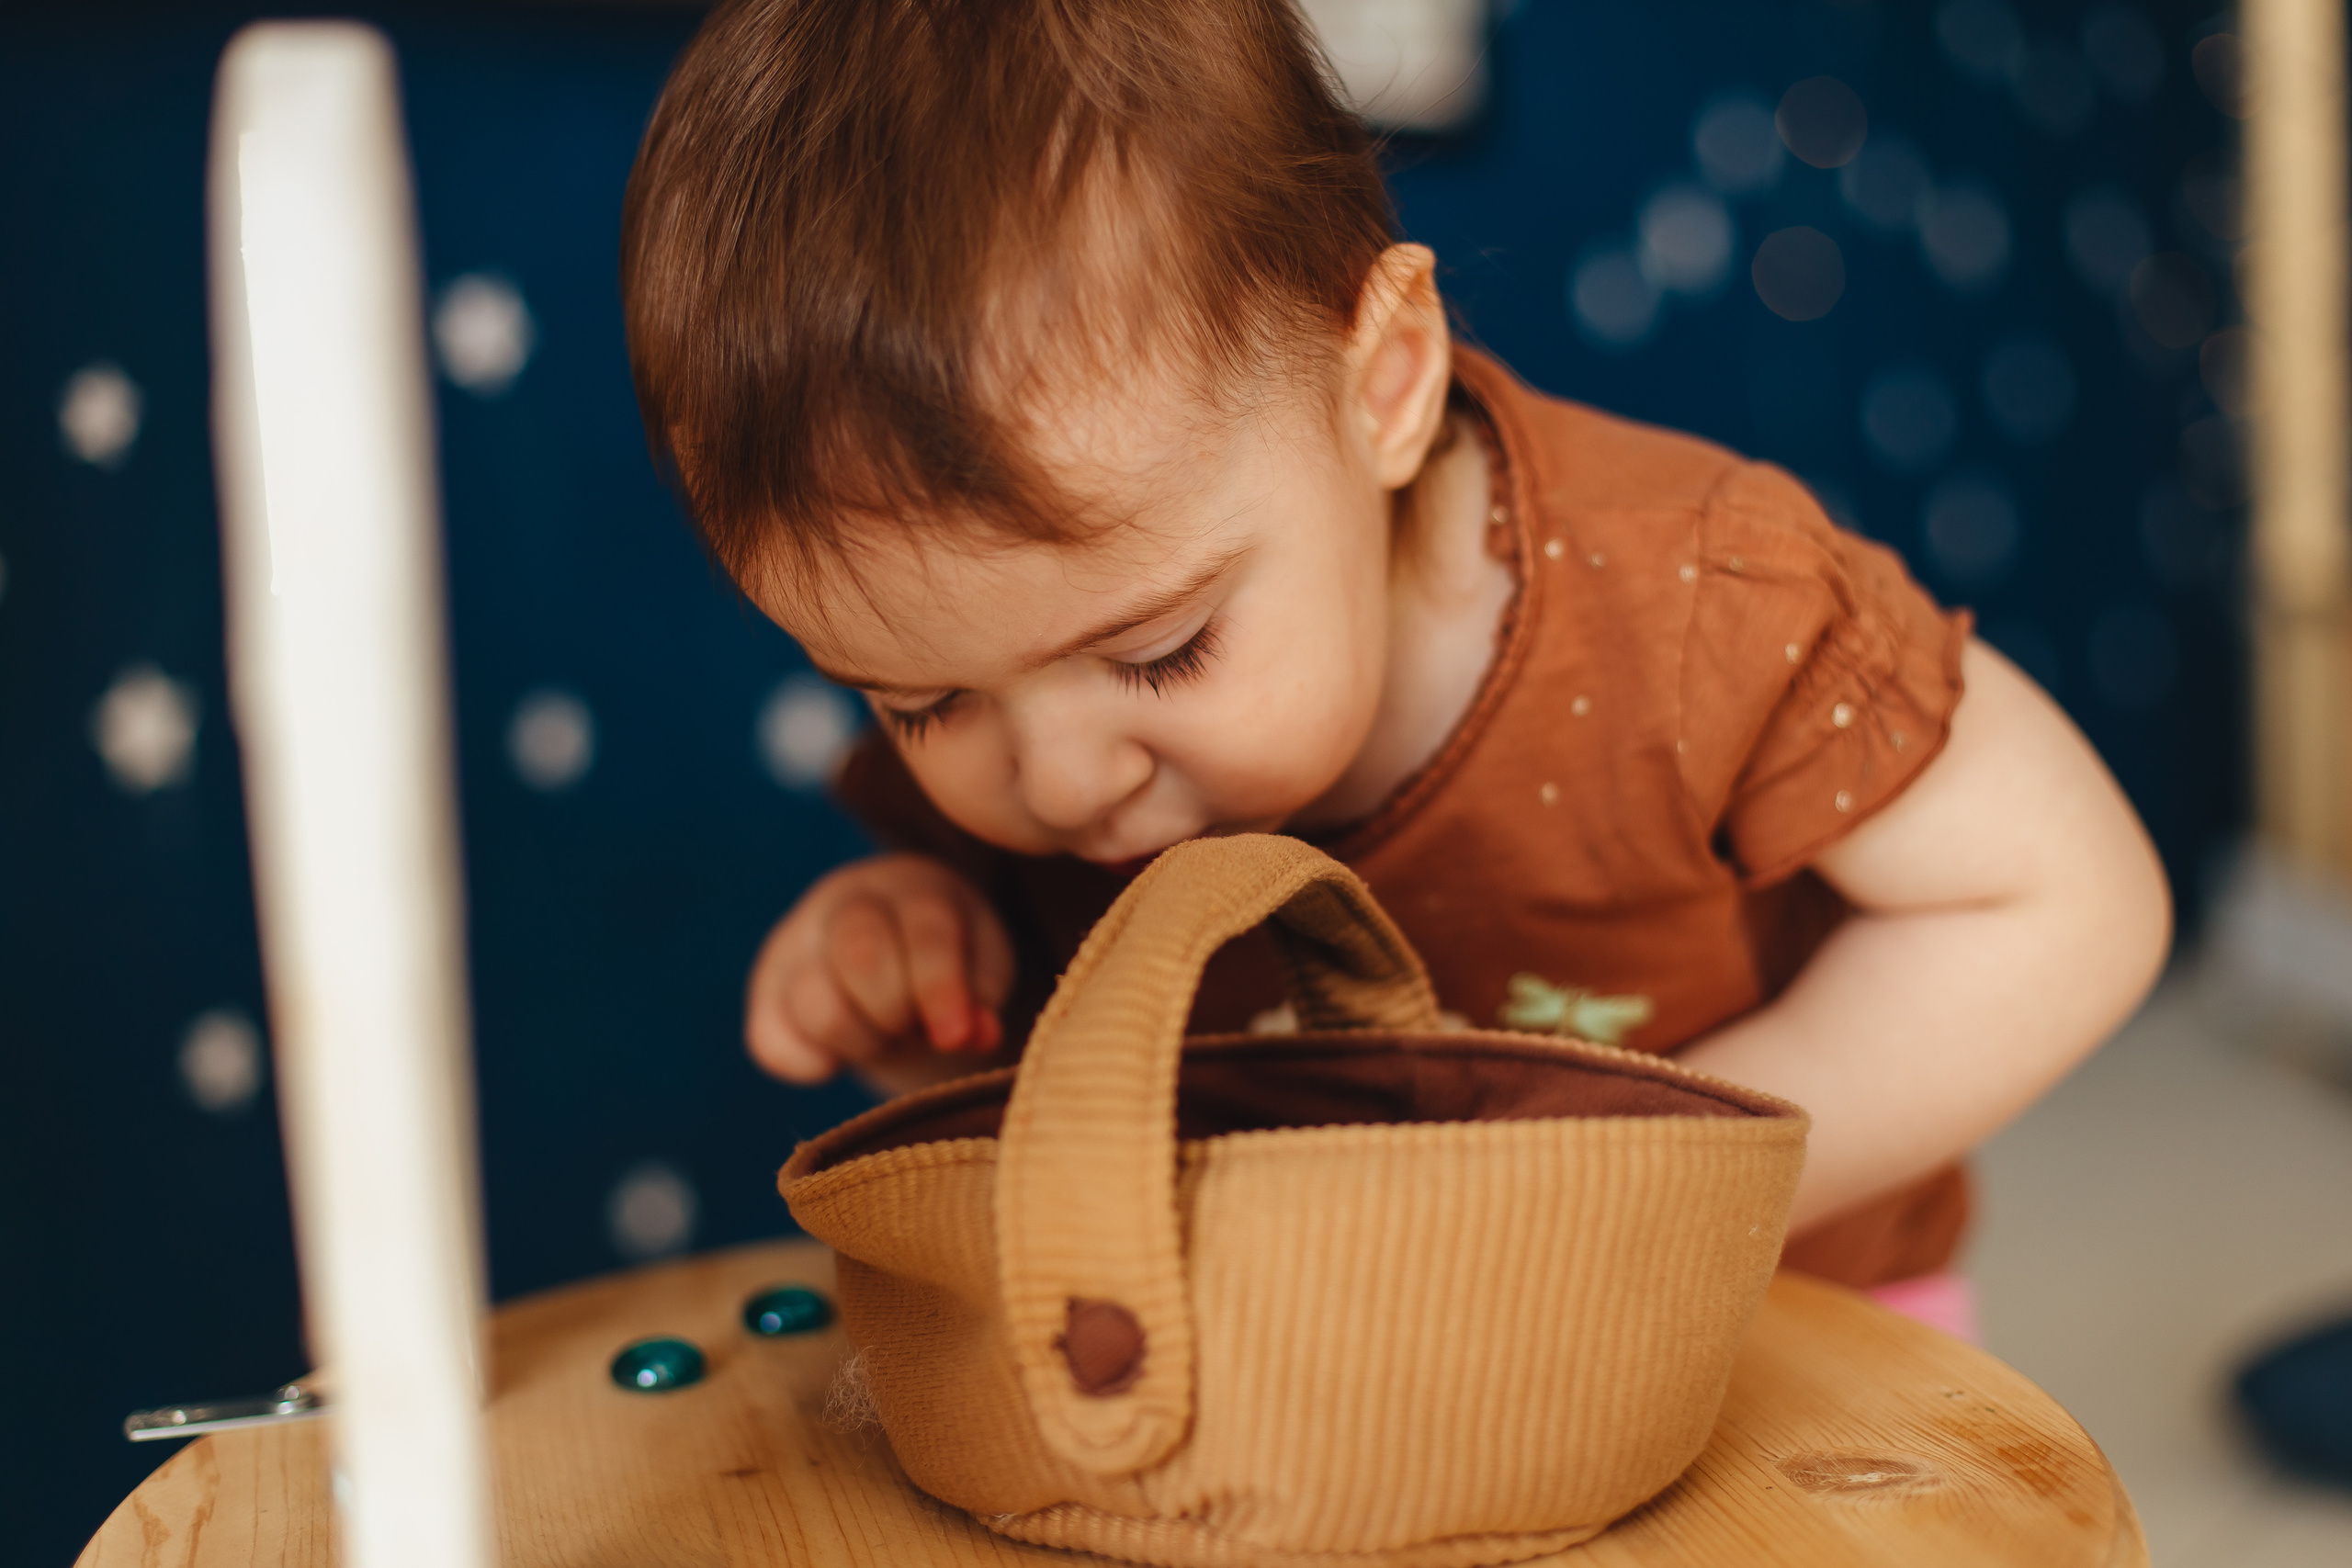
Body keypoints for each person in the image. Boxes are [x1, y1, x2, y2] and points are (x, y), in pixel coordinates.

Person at [619, 0, 2170, 1311]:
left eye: (1159, 653)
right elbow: (1075, 1101)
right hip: (1325, 1379)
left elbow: (2070, 906)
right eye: (920, 701)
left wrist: (1657, 1194)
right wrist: (924, 978)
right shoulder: (1035, 772)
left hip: (1780, 1346)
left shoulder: (1698, 602)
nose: (1057, 781)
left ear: (1385, 385)